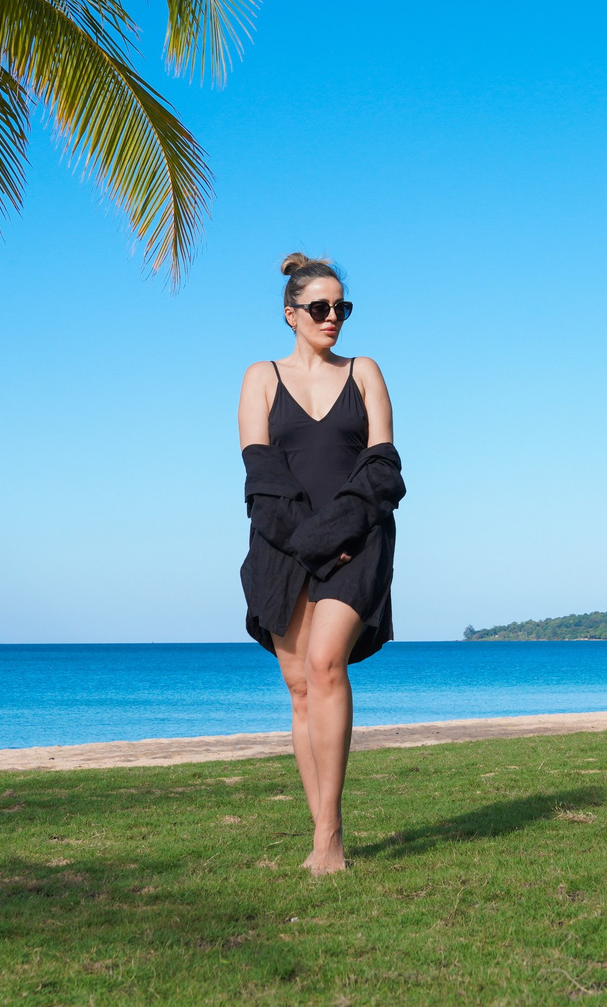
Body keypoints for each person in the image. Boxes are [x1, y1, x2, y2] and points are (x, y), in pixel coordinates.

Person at [237, 253, 404, 876]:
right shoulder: (260, 377)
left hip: (358, 542)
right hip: (281, 547)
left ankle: (332, 840)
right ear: (291, 314)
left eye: (342, 307)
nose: (332, 317)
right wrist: (309, 541)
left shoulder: (365, 372)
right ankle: (319, 836)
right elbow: (260, 477)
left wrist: (339, 535)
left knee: (327, 664)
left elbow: (384, 468)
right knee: (301, 689)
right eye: (320, 308)